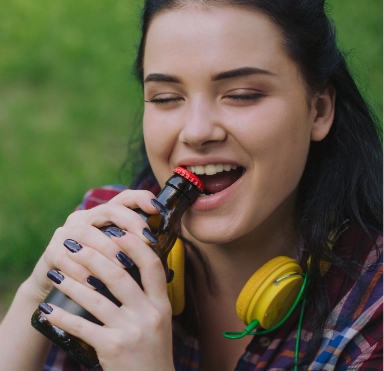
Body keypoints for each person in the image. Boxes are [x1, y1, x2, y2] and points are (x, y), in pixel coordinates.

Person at [0, 0, 382, 370]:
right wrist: (33, 293)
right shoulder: (102, 238)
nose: (196, 131)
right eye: (166, 98)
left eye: (241, 95)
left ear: (319, 110)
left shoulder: (372, 309)